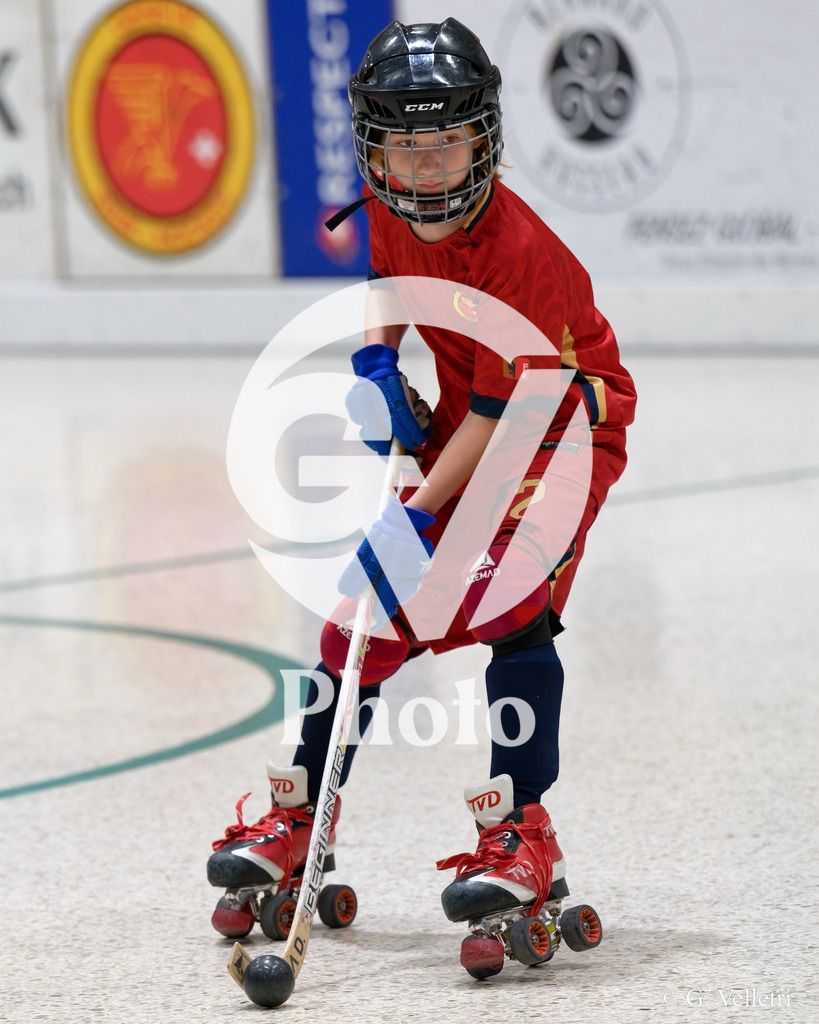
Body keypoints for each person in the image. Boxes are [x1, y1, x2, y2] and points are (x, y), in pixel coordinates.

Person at [207, 18, 636, 975]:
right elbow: (387, 283)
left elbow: (497, 417)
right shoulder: (398, 203)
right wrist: (375, 355)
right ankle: (298, 817)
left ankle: (522, 833)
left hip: (557, 435)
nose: (424, 165)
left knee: (504, 604)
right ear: (374, 145)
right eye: (402, 141)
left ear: (483, 138)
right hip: (470, 430)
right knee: (357, 618)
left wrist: (412, 510)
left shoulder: (522, 252)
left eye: (444, 141)